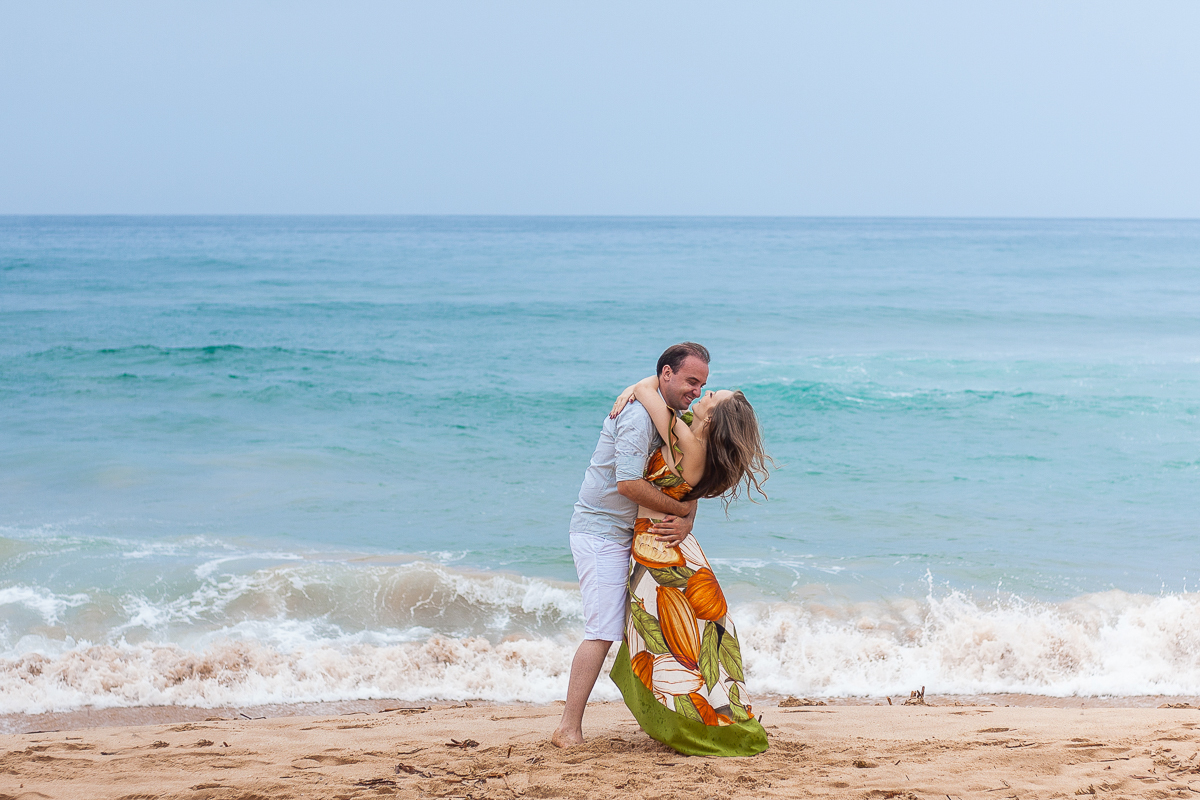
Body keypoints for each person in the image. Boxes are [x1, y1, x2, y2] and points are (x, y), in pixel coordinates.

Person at [551, 343, 711, 748]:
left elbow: (687, 478)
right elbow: (628, 484)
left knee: (646, 628)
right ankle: (567, 728)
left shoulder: (668, 412)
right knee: (602, 630)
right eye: (691, 381)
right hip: (600, 532)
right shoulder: (640, 417)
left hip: (631, 536)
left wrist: (687, 515)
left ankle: (656, 718)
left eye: (703, 385)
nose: (696, 390)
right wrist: (682, 511)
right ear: (667, 374)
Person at [605, 368, 770, 757]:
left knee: (668, 644)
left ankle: (700, 723)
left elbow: (651, 396)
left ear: (711, 417)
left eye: (712, 395)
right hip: (664, 544)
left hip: (660, 546)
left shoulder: (688, 444)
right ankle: (702, 716)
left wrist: (635, 386)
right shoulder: (695, 448)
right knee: (674, 641)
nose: (705, 393)